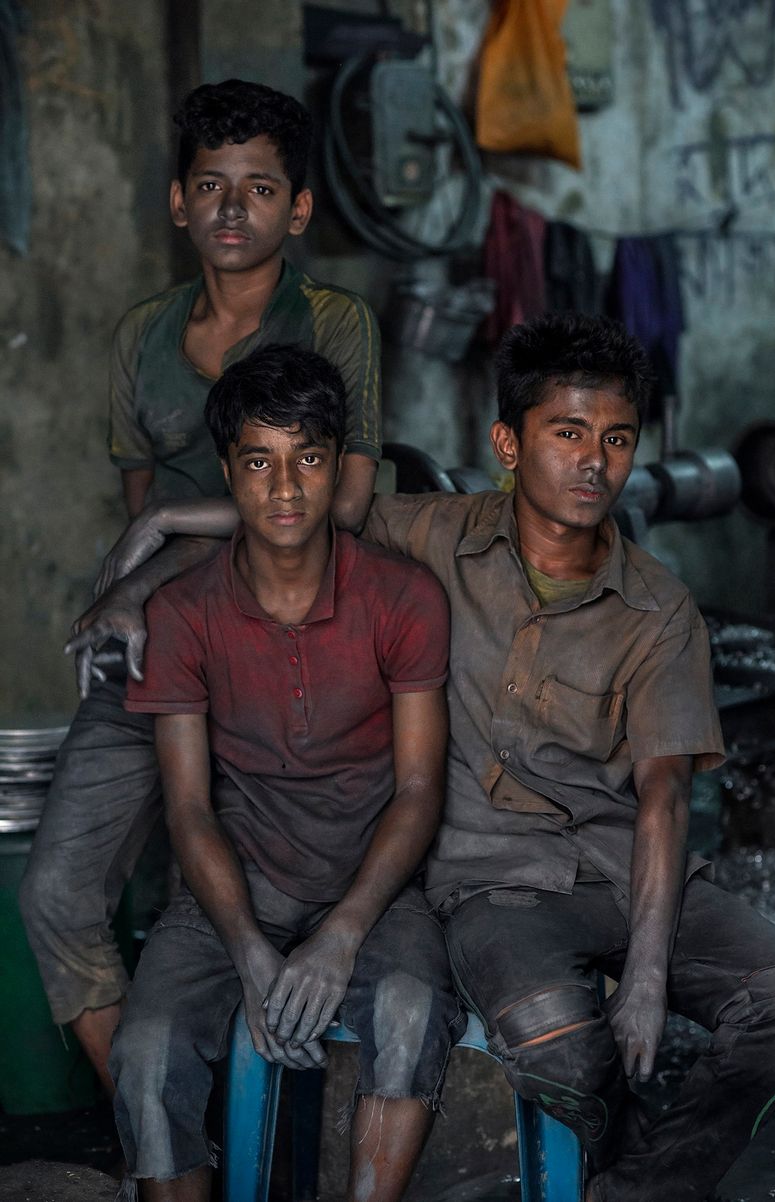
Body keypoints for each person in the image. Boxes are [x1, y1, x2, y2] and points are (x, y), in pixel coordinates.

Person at [94, 312, 775, 1202]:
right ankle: (621, 1145)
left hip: (632, 871)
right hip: (495, 886)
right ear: (509, 443)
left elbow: (662, 799)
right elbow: (289, 512)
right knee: (559, 1050)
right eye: (567, 433)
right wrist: (147, 545)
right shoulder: (433, 537)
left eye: (616, 439)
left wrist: (649, 971)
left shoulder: (659, 610)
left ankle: (641, 1187)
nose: (594, 462)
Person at [19, 78, 382, 1096]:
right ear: (177, 202)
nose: (233, 209)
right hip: (154, 648)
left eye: (260, 188)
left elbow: (341, 506)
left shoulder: (335, 324)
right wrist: (142, 568)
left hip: (289, 647)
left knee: (225, 892)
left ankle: (261, 1121)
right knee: (53, 891)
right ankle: (165, 1110)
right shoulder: (142, 333)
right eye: (210, 186)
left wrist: (167, 522)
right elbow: (140, 515)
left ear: (297, 208)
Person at [109, 343, 461, 1202]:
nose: (286, 488)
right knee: (146, 1053)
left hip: (374, 888)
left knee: (411, 1014)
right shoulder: (181, 614)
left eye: (308, 458)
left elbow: (419, 788)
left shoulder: (403, 597)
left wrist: (342, 935)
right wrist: (248, 952)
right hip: (233, 889)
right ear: (227, 472)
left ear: (339, 466)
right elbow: (188, 809)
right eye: (259, 461)